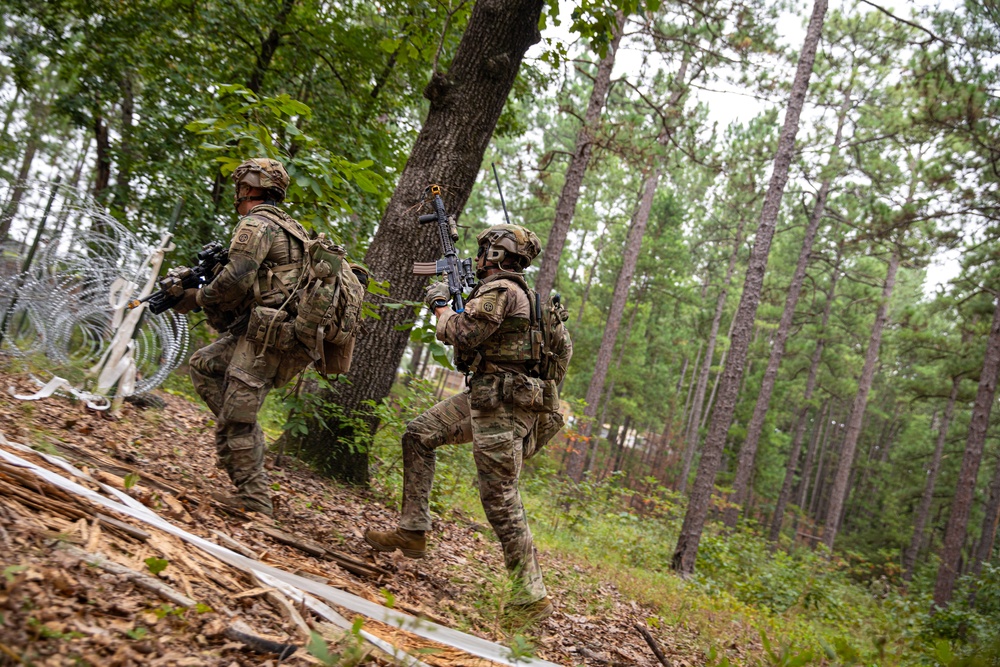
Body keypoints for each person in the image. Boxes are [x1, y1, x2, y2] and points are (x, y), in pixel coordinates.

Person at [364, 223, 572, 622]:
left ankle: (530, 596)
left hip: (501, 405)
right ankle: (412, 530)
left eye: (483, 251)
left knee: (499, 497)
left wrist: (441, 304)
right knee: (419, 434)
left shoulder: (501, 291)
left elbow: (461, 333)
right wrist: (535, 399)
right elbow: (562, 354)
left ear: (495, 254)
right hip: (494, 397)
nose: (477, 258)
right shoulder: (537, 299)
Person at [175, 158, 314, 517]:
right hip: (267, 333)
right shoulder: (290, 227)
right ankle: (243, 440)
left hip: (270, 338)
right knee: (204, 365)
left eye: (240, 188)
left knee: (237, 420)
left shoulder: (257, 224)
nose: (236, 195)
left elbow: (236, 278)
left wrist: (197, 297)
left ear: (250, 188)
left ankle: (256, 505)